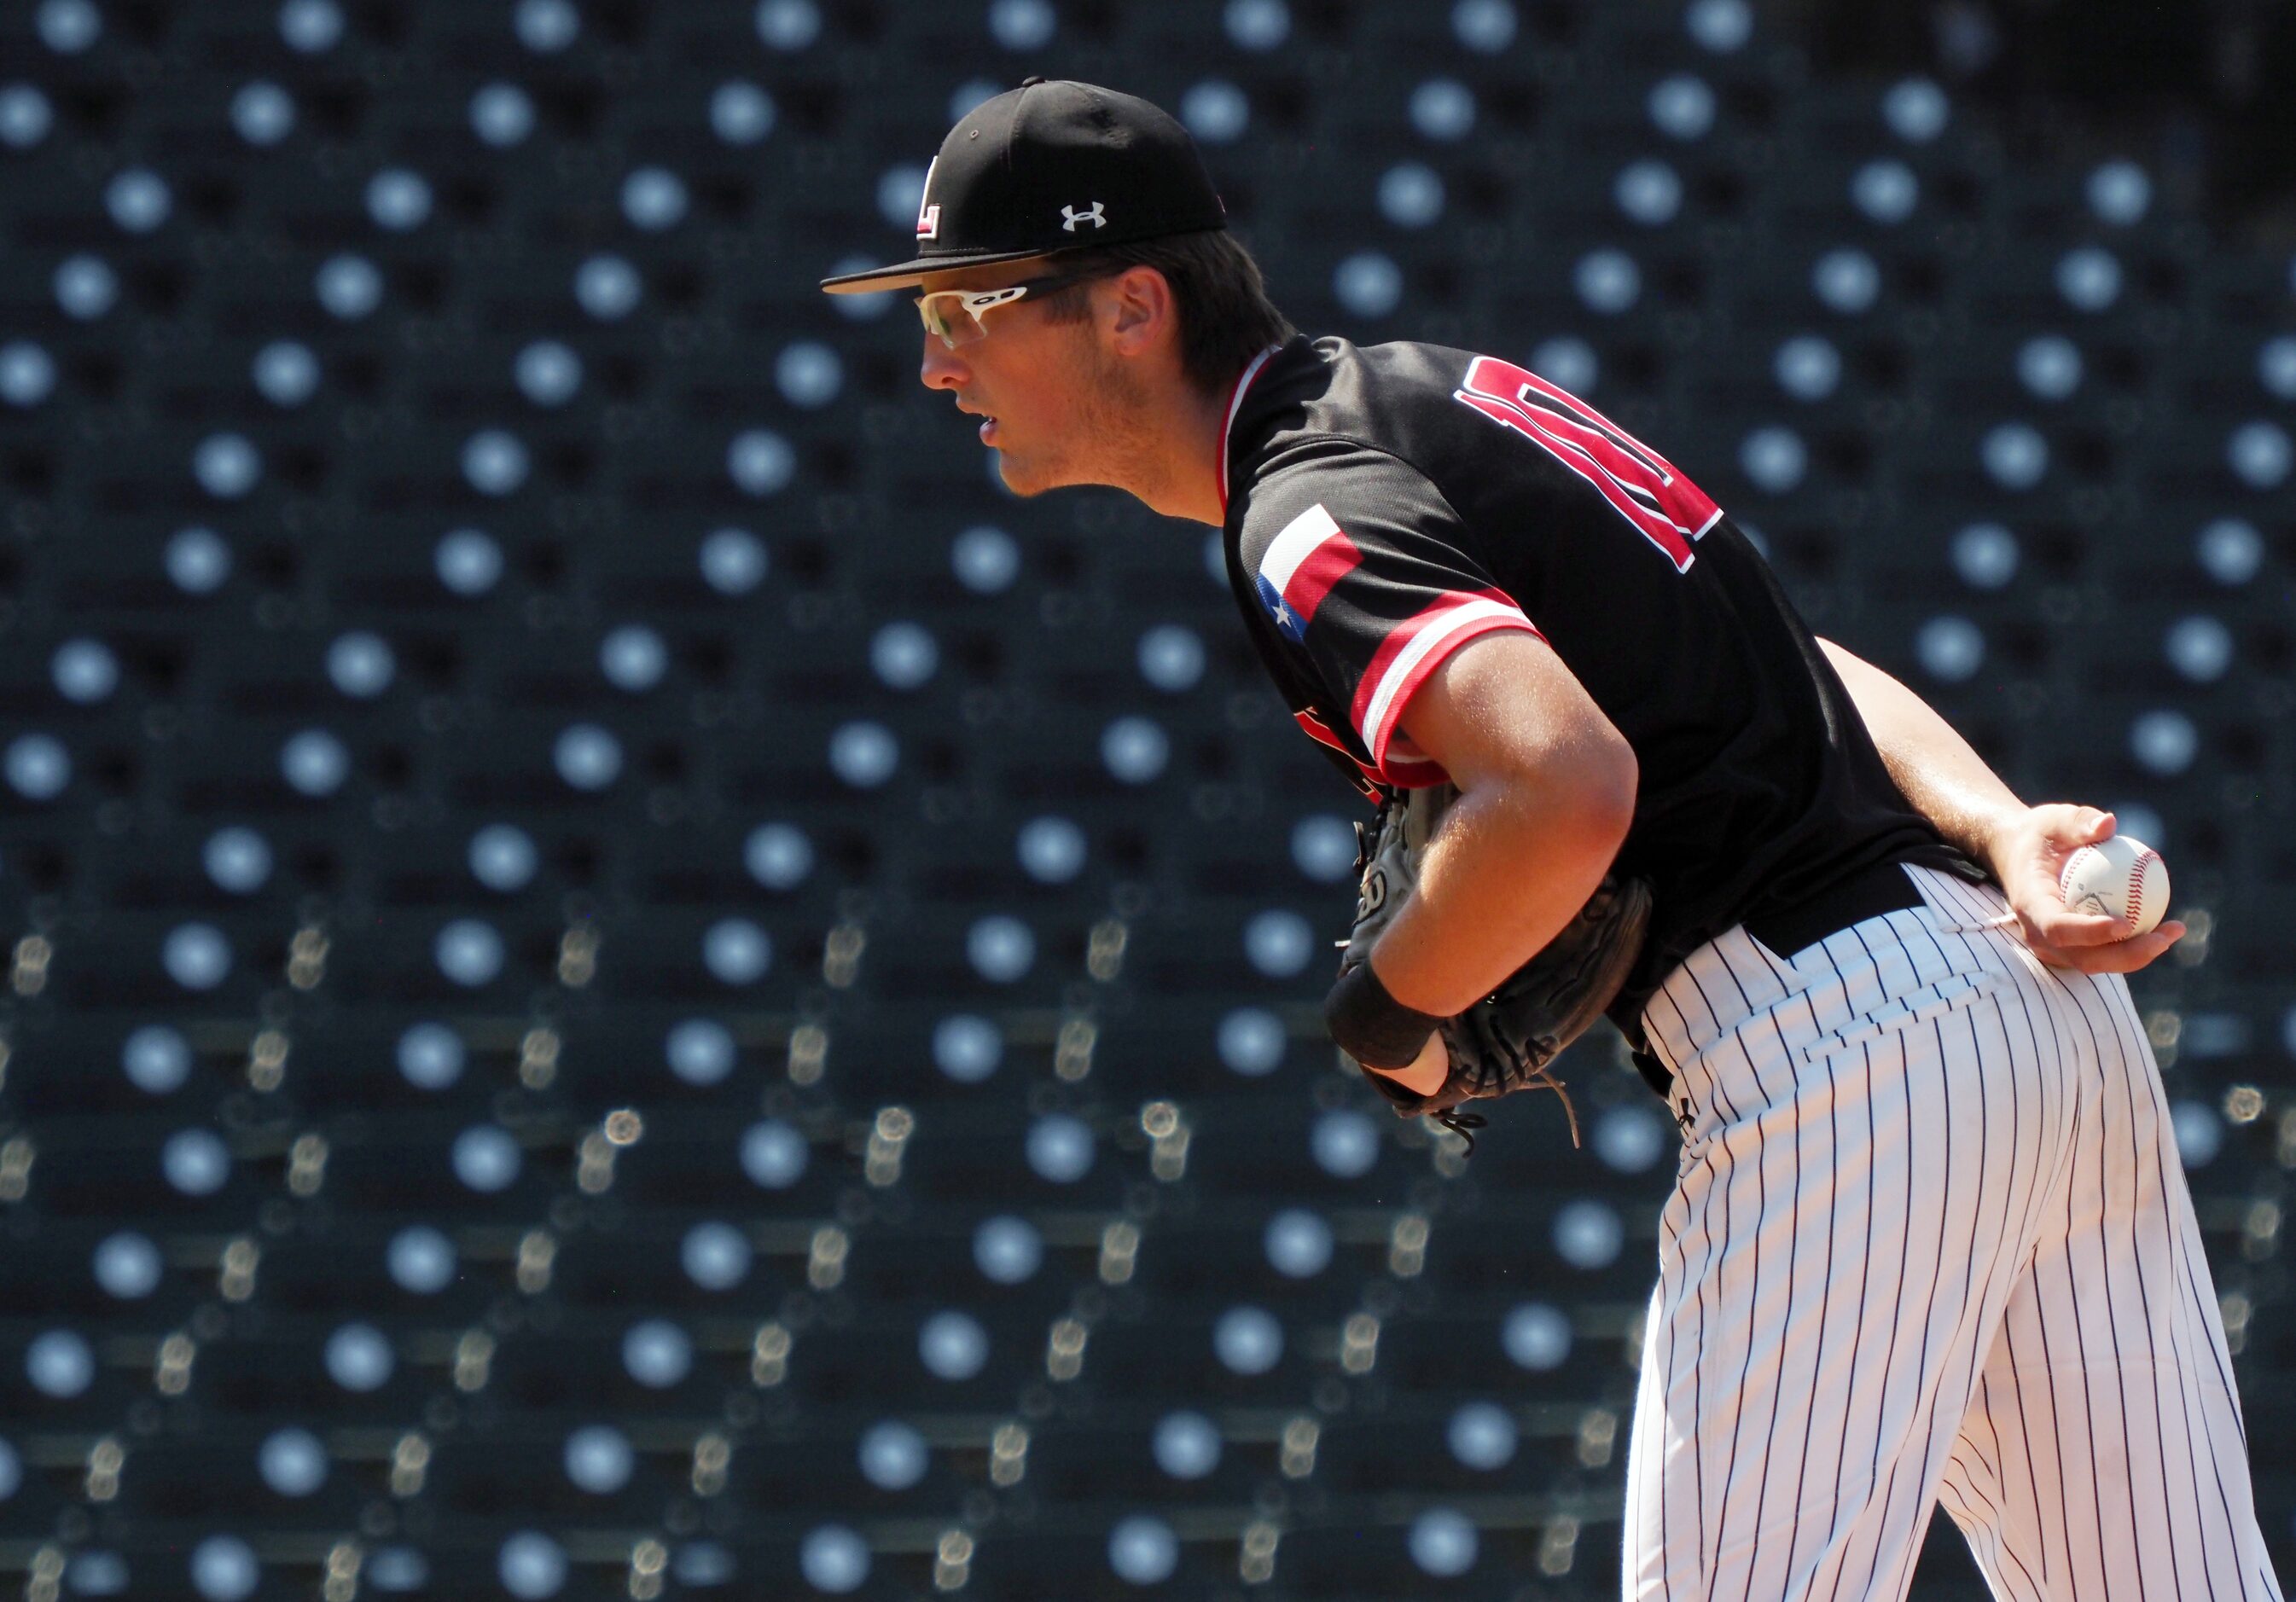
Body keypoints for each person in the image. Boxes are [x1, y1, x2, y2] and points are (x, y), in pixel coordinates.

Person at [822, 78, 2284, 1602]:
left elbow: (1563, 782)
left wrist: (1390, 1009)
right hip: (2030, 1013)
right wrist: (1992, 821)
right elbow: (1782, 643)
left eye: (971, 303)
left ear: (1132, 304)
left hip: (1847, 1050)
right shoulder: (1437, 393)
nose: (935, 361)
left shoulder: (1306, 507)